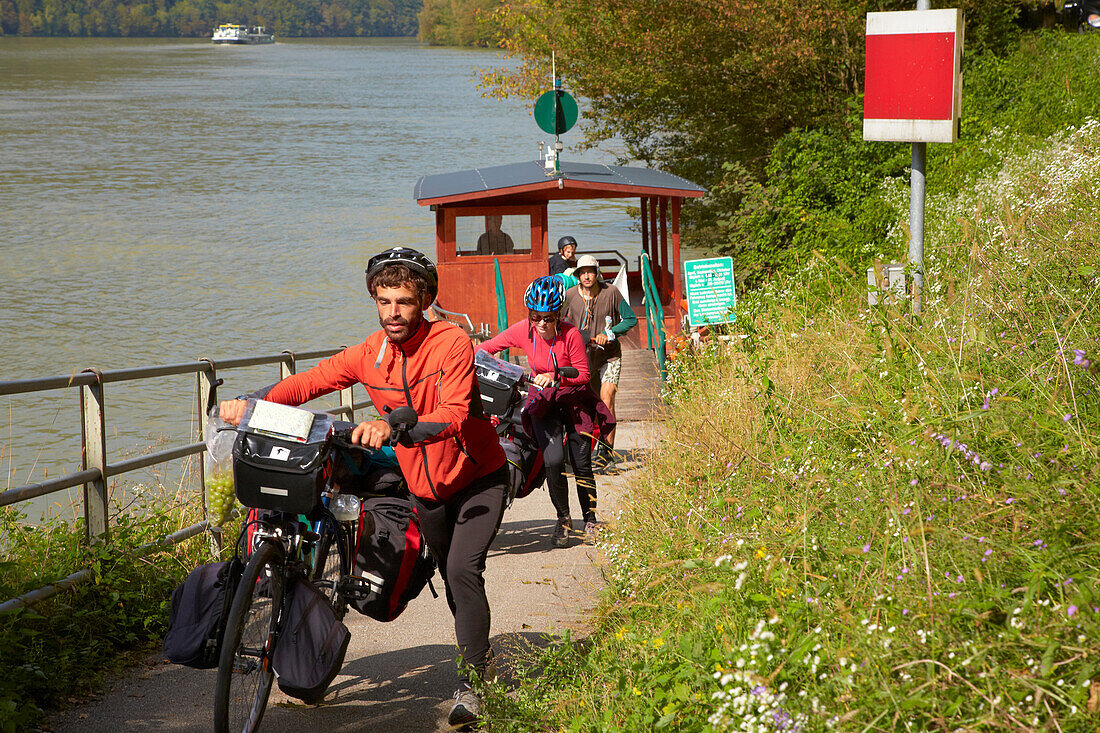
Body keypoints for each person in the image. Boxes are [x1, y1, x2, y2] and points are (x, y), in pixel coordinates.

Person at [218, 247, 506, 729]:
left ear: (425, 301)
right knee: (456, 581)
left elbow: (455, 414)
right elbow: (311, 381)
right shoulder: (370, 353)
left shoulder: (451, 342)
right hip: (425, 488)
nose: (393, 312)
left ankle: (474, 685)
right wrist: (251, 401)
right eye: (384, 300)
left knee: (461, 569)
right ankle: (477, 651)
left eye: (404, 302)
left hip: (478, 478)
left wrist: (393, 425)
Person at [476, 275, 612, 547]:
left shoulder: (571, 334)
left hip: (574, 402)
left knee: (582, 465)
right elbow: (486, 348)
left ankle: (591, 520)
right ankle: (563, 520)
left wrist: (556, 374)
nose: (541, 324)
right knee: (552, 462)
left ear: (558, 315)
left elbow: (584, 374)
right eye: (535, 316)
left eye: (548, 318)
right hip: (544, 402)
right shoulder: (524, 331)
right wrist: (466, 358)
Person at [562, 254, 637, 471]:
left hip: (609, 355)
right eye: (582, 272)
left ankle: (606, 453)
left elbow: (630, 319)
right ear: (577, 275)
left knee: (607, 398)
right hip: (581, 359)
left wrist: (610, 333)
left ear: (597, 273)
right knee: (580, 404)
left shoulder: (611, 292)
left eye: (590, 272)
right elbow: (558, 321)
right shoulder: (569, 296)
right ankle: (574, 451)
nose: (587, 276)